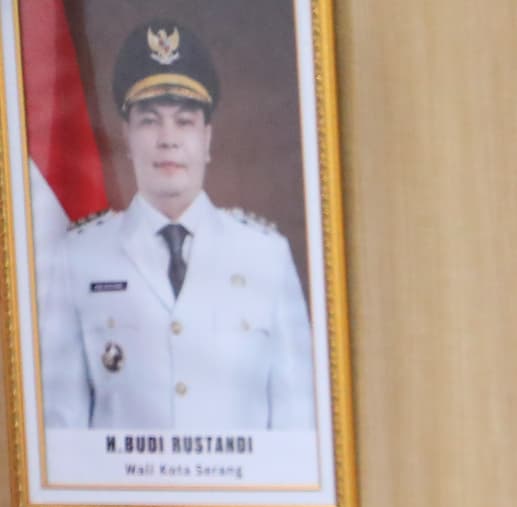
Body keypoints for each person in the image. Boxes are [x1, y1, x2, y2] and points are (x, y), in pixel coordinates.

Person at [38, 20, 316, 432]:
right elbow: (61, 430)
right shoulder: (77, 258)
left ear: (207, 139)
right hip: (120, 497)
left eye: (184, 122)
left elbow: (299, 425)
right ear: (127, 137)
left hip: (243, 497)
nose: (168, 139)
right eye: (150, 121)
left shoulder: (265, 256)